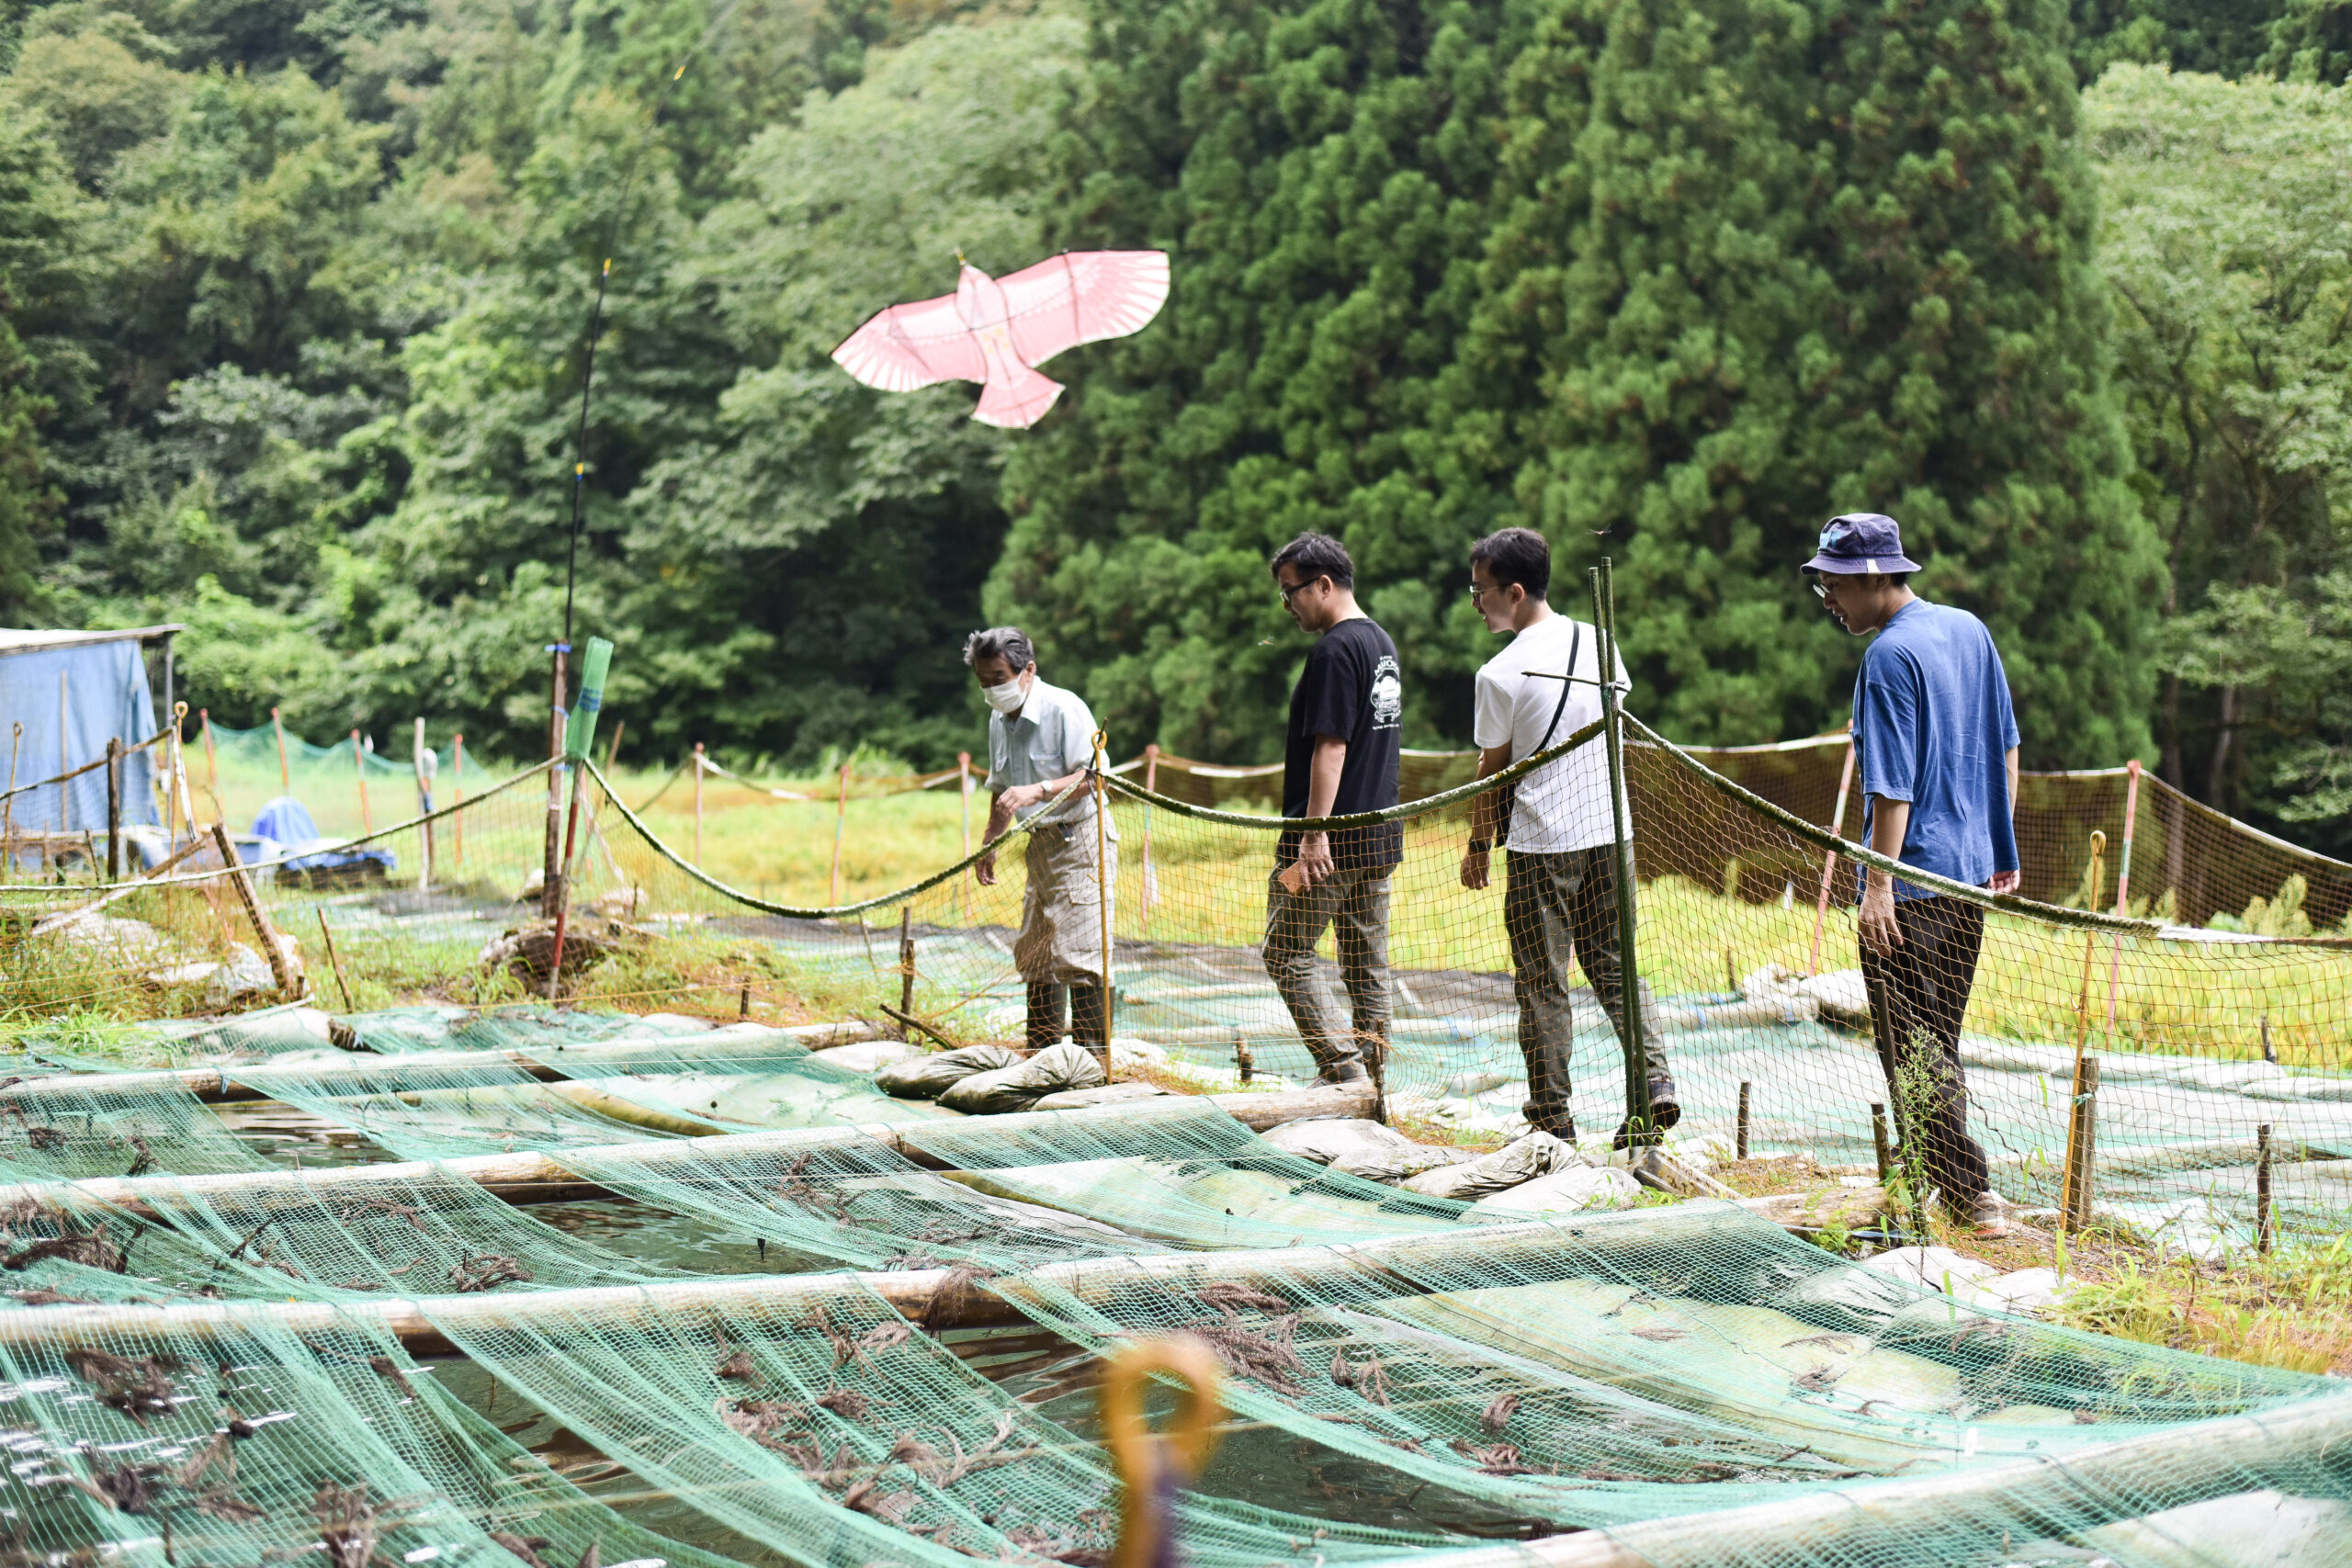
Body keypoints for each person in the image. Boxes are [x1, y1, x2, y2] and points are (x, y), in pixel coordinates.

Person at [1804, 513, 2021, 1235]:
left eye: (1832, 584)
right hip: (1965, 886)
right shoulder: (1969, 630)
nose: (1827, 599)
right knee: (1937, 1038)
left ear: (1871, 576)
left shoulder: (1888, 659)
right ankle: (1923, 1177)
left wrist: (1877, 887)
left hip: (1912, 888)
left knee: (1912, 1048)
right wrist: (1999, 843)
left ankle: (1971, 1195)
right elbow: (2007, 746)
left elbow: (1890, 787)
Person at [1458, 527, 1676, 1147]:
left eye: (1481, 590)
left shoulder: (1499, 672)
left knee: (1543, 980)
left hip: (1540, 844)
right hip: (1612, 832)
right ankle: (1654, 1085)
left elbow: (1490, 770)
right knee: (1616, 966)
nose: (1475, 601)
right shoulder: (1600, 641)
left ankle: (1552, 1118)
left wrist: (1478, 846)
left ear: (1516, 591)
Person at [1264, 533, 1403, 1088]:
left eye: (1291, 592)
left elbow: (1333, 746)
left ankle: (1344, 1073)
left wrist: (1313, 834)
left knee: (1286, 952)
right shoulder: (1381, 643)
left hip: (1333, 844)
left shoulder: (1333, 651)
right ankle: (1374, 1084)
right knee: (1366, 965)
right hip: (1377, 837)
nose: (1288, 605)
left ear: (1324, 584)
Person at [967, 626, 1116, 1056]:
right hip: (1040, 844)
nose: (993, 689)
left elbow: (1096, 779)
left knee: (1081, 951)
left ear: (1027, 671)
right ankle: (1041, 1053)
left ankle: (1092, 1063)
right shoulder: (999, 719)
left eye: (999, 678)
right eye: (983, 682)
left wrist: (1040, 790)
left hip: (1081, 839)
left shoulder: (1063, 708)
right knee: (1036, 949)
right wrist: (990, 841)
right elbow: (1001, 786)